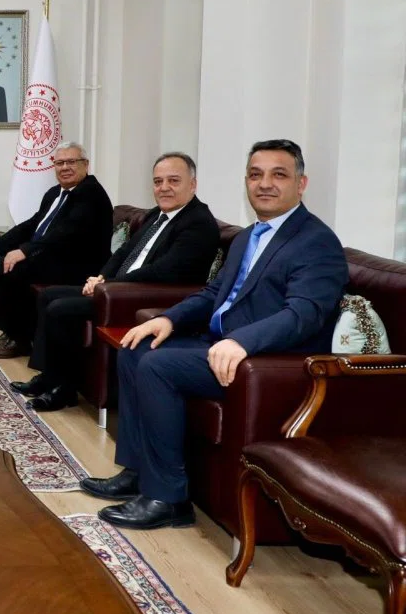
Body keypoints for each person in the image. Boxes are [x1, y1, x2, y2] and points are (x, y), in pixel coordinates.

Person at [81, 139, 347, 530]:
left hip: (264, 361)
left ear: (301, 184)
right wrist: (169, 319)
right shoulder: (249, 237)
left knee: (157, 365)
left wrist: (243, 341)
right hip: (217, 344)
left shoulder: (316, 242)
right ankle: (139, 472)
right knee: (136, 346)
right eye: (255, 175)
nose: (264, 184)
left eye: (279, 175)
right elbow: (213, 293)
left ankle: (168, 499)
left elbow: (303, 315)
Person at [11, 152, 220, 412]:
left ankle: (63, 390)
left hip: (143, 299)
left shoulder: (198, 223)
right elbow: (123, 252)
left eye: (173, 181)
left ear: (193, 184)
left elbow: (164, 271)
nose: (164, 188)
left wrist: (109, 284)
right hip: (118, 288)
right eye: (158, 182)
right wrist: (101, 277)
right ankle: (49, 376)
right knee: (48, 295)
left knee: (61, 309)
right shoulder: (157, 214)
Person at [0, 141, 114, 358]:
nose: (64, 167)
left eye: (71, 162)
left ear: (86, 164)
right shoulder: (55, 193)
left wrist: (25, 251)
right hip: (52, 258)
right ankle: (11, 333)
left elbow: (66, 233)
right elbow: (33, 224)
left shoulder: (91, 194)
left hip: (77, 265)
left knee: (7, 269)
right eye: (59, 163)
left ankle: (20, 340)